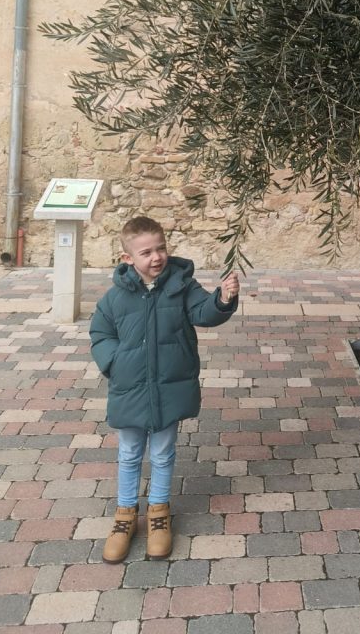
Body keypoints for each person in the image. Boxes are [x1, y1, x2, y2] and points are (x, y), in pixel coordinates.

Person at [89, 215, 239, 564]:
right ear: (128, 258)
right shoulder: (114, 299)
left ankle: (158, 514)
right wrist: (116, 363)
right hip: (130, 387)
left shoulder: (182, 286)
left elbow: (204, 312)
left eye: (161, 248)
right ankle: (125, 516)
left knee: (162, 451)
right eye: (146, 252)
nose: (156, 257)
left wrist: (223, 299)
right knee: (129, 453)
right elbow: (100, 334)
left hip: (170, 386)